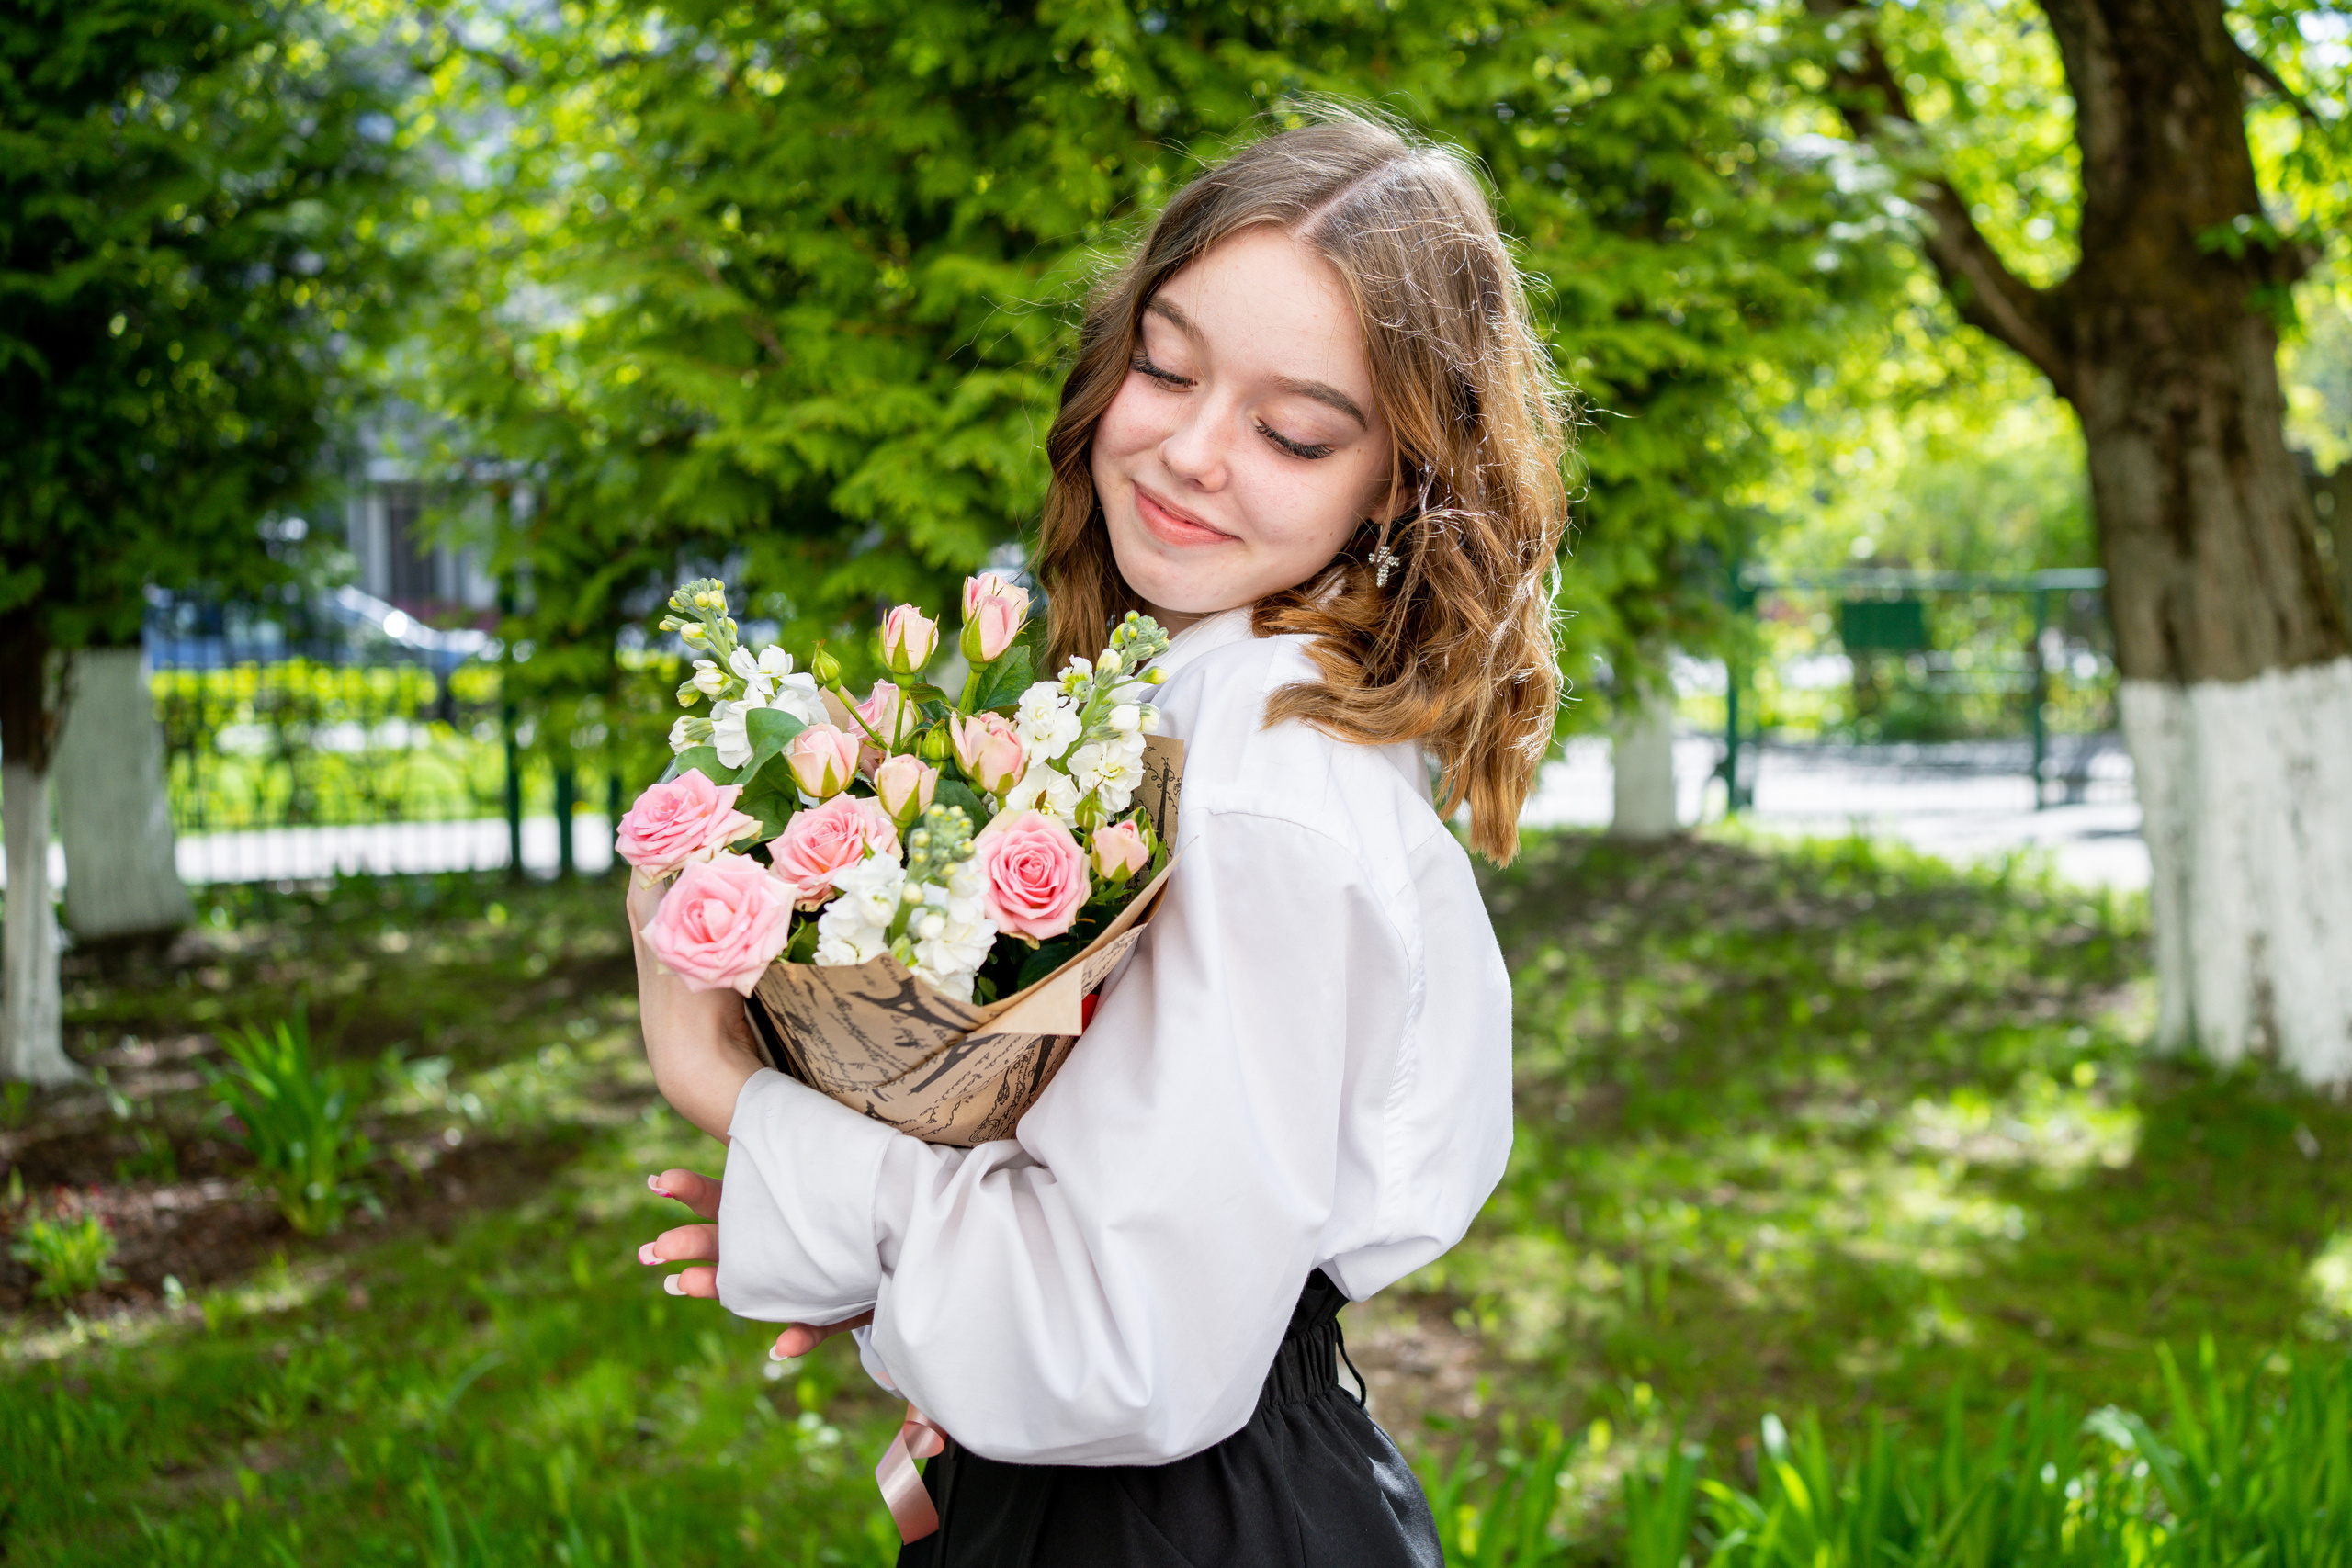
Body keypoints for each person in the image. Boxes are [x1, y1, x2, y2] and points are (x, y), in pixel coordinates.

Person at [626, 108, 1570, 1565]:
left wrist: (734, 1091)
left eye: (1292, 428)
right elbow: (1122, 1223)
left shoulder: (1259, 778)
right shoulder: (1190, 706)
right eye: (1167, 365)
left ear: (1397, 478)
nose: (1190, 451)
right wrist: (885, 1255)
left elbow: (1129, 1355)